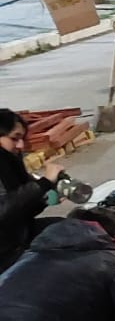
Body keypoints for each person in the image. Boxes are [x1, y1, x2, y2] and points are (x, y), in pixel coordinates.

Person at [0, 110, 67, 273]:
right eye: (14, 138)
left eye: (22, 139)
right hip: (5, 251)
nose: (21, 145)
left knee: (75, 230)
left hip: (17, 236)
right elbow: (4, 209)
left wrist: (45, 198)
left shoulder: (10, 162)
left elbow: (21, 210)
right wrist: (43, 183)